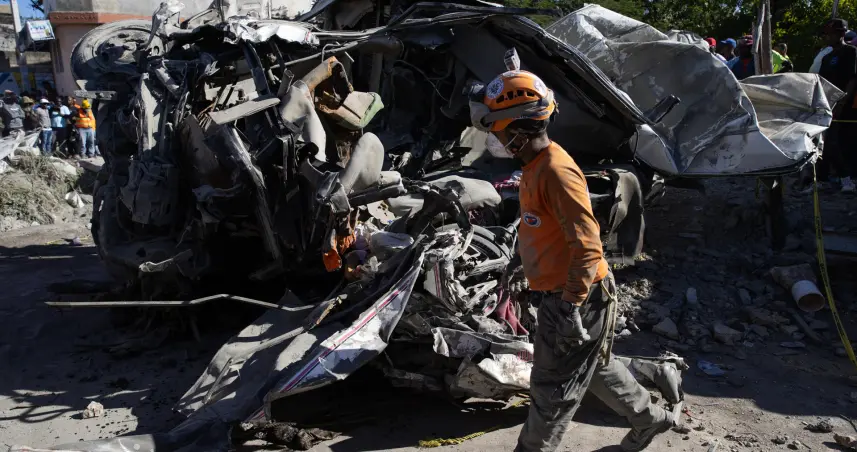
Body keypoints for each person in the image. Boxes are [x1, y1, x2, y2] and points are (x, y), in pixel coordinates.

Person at [470, 52, 677, 452]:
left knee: (552, 391)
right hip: (567, 293)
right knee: (594, 366)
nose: (495, 138)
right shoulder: (533, 165)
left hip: (578, 297)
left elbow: (587, 246)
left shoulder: (556, 171)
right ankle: (650, 419)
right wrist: (521, 262)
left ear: (520, 128)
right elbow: (541, 228)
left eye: (497, 129)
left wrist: (569, 306)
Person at [818, 18, 857, 192]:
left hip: (847, 106)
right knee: (826, 142)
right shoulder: (826, 58)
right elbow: (821, 82)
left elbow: (853, 79)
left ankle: (847, 179)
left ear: (841, 34)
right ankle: (823, 178)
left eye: (831, 34)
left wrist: (842, 102)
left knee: (840, 142)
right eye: (826, 34)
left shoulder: (851, 52)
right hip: (828, 104)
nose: (828, 37)